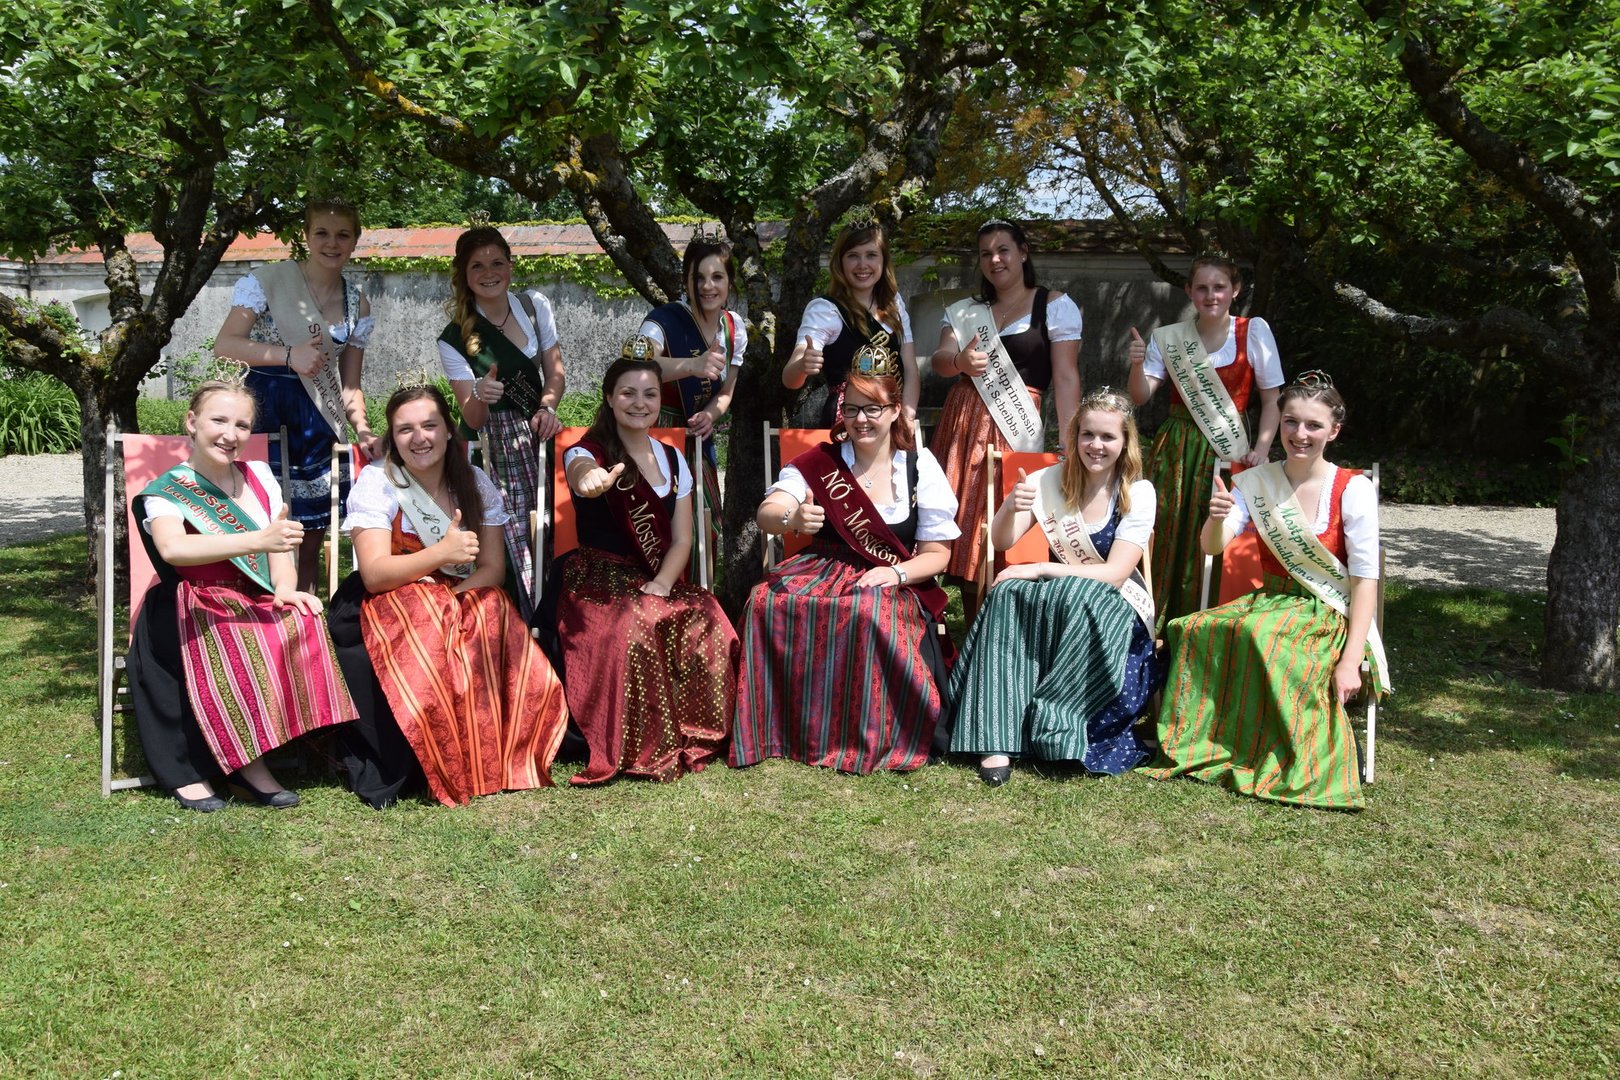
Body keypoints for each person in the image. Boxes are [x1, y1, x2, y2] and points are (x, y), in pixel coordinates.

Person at [1143, 373, 1388, 810]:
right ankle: (1210, 745)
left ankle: (1272, 754)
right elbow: (1212, 547)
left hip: (1325, 609)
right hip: (1271, 600)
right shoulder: (1257, 482)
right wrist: (1216, 518)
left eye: (1313, 425)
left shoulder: (1352, 489)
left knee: (1262, 635)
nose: (1300, 434)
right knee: (1191, 627)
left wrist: (1351, 661)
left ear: (1334, 431)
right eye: (1291, 421)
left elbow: (1365, 580)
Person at [333, 384, 569, 808]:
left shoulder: (474, 482)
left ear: (447, 431)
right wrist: (440, 554)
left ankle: (498, 757)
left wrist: (453, 597)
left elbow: (492, 570)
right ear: (392, 437)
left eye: (429, 425)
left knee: (493, 608)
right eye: (405, 429)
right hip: (391, 594)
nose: (419, 437)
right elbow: (375, 574)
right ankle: (434, 759)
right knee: (425, 613)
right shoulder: (379, 482)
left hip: (459, 592)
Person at [126, 379, 357, 812]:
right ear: (192, 422)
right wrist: (257, 540)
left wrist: (286, 590)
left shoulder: (260, 476)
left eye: (242, 425)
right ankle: (201, 769)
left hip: (251, 594)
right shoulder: (166, 490)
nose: (230, 434)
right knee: (236, 636)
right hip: (190, 601)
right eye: (219, 420)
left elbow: (280, 548)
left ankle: (255, 756)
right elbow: (173, 549)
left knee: (302, 618)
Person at [732, 372, 959, 774]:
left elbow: (937, 555)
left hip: (893, 573)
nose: (861, 419)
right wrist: (791, 517)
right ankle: (778, 731)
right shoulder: (820, 462)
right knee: (765, 600)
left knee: (867, 610)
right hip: (821, 565)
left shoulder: (919, 466)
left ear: (895, 411)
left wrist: (896, 574)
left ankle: (868, 736)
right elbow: (769, 512)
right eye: (851, 409)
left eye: (873, 409)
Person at [948, 388, 1159, 785]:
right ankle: (994, 737)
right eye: (1087, 434)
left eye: (1108, 436)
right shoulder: (1049, 481)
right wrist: (1012, 506)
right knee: (1006, 593)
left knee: (1075, 595)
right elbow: (1002, 541)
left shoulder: (1138, 492)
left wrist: (1041, 567)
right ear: (1074, 436)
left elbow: (1116, 574)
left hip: (1114, 603)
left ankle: (1059, 732)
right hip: (1062, 595)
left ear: (1125, 442)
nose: (1096, 445)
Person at [556, 346, 740, 785]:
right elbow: (581, 471)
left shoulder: (674, 459)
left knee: (709, 614)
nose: (639, 403)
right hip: (598, 577)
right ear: (609, 397)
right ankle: (641, 744)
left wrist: (662, 581)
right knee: (634, 622)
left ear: (660, 400)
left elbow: (683, 539)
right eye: (628, 393)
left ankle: (702, 732)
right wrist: (590, 479)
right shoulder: (588, 451)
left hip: (656, 575)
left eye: (650, 394)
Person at [214, 198, 380, 592]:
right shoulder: (266, 282)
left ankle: (304, 606)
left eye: (343, 235)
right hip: (262, 413)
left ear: (355, 241)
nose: (331, 243)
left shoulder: (357, 304)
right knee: (256, 522)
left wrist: (363, 429)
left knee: (309, 536)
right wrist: (289, 356)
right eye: (321, 232)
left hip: (317, 420)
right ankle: (251, 603)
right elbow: (225, 345)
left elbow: (350, 385)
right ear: (306, 236)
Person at [1126, 252, 1283, 633]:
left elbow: (1272, 400)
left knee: (1218, 530)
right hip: (1176, 448)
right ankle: (1154, 623)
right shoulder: (1170, 338)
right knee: (1167, 529)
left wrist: (1262, 449)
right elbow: (1141, 396)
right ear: (1189, 291)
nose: (1211, 295)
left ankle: (1207, 625)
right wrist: (1136, 364)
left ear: (1235, 290)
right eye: (1202, 288)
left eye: (1219, 287)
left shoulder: (1253, 332)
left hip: (1228, 450)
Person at [930, 219, 1083, 601]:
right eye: (986, 254)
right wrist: (959, 362)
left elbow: (1066, 378)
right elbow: (939, 360)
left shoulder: (1053, 306)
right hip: (963, 425)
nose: (995, 260)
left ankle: (1006, 614)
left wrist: (1070, 441)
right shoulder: (966, 311)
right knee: (962, 520)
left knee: (1006, 517)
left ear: (1023, 253)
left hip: (1016, 424)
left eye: (1003, 251)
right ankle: (967, 616)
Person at [437, 226, 567, 621]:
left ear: (510, 266)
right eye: (477, 266)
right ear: (464, 275)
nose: (488, 272)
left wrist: (547, 407)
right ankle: (513, 626)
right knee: (506, 542)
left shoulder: (534, 306)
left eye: (496, 262)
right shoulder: (454, 338)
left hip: (537, 433)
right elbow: (472, 418)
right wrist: (480, 393)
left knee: (550, 529)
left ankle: (554, 621)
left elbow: (555, 373)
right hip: (491, 448)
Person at [638, 236, 747, 575]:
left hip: (698, 436)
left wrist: (711, 415)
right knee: (657, 522)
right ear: (686, 280)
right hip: (657, 434)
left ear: (729, 281)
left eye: (717, 277)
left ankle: (701, 595)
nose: (707, 286)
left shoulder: (734, 328)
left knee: (704, 524)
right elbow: (639, 365)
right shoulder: (663, 320)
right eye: (698, 277)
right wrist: (692, 365)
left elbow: (726, 392)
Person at [780, 222, 919, 428]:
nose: (862, 264)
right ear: (840, 263)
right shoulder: (825, 310)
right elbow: (789, 379)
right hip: (848, 421)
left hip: (891, 418)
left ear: (883, 260)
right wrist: (802, 366)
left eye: (871, 255)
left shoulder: (894, 304)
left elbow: (910, 368)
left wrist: (907, 417)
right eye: (853, 255)